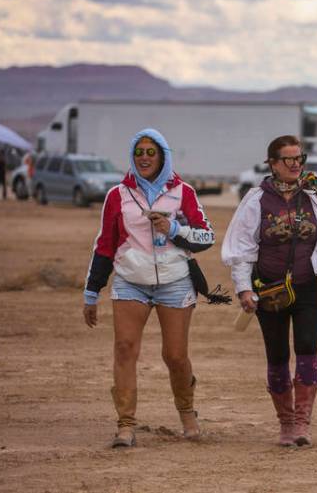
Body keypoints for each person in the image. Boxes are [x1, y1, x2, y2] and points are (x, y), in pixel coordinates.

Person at [82, 128, 216, 448]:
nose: (144, 157)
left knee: (175, 356)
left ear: (163, 156)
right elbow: (105, 244)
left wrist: (173, 228)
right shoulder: (118, 194)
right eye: (139, 152)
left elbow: (206, 237)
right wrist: (92, 290)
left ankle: (187, 413)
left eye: (150, 152)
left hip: (175, 282)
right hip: (130, 281)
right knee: (125, 348)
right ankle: (126, 425)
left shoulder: (183, 192)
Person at [222, 135, 317, 447]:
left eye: (299, 158)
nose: (296, 165)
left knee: (307, 346)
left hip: (310, 288)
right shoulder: (256, 200)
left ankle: (303, 421)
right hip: (269, 290)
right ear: (273, 164)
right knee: (277, 353)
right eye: (288, 159)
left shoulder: (316, 196)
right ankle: (286, 423)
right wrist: (243, 289)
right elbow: (242, 249)